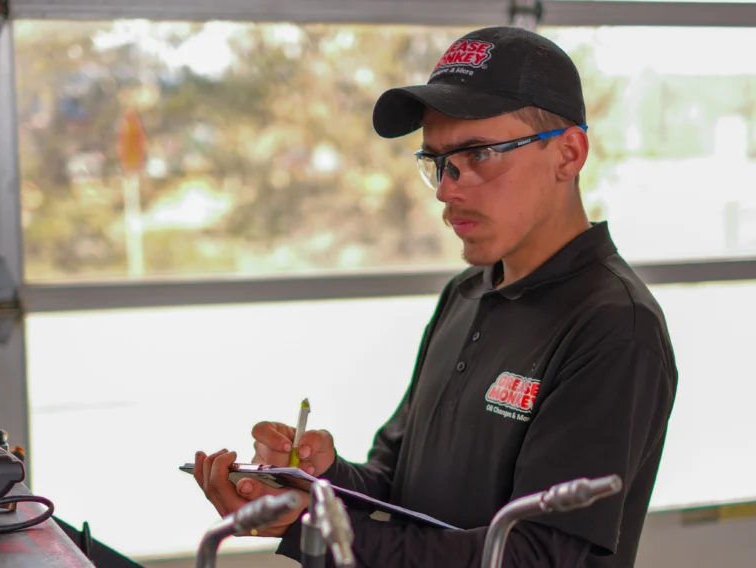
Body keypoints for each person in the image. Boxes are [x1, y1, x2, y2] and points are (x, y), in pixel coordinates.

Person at [193, 26, 678, 568]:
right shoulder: (466, 294)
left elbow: (531, 558)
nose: (448, 187)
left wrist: (319, 530)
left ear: (568, 154)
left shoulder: (613, 328)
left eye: (479, 154)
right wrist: (319, 479)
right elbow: (396, 485)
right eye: (439, 162)